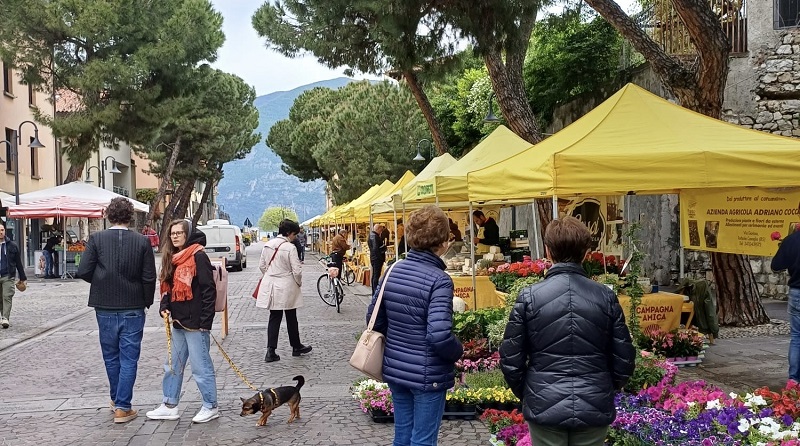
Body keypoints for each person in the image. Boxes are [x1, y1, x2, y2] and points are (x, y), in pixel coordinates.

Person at [499, 216, 635, 446]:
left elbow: (511, 359)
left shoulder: (530, 297)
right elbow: (624, 358)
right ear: (585, 253)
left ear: (548, 251)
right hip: (592, 401)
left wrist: (531, 391)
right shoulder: (605, 297)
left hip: (544, 400)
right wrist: (604, 386)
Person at [366, 205, 463, 446]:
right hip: (428, 373)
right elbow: (439, 335)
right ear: (442, 241)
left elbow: (373, 318)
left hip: (397, 369)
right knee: (423, 440)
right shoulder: (440, 280)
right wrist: (458, 351)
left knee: (403, 435)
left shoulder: (393, 270)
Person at [76, 198, 156, 423]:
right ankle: (122, 405)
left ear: (108, 215)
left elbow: (83, 270)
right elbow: (149, 277)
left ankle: (117, 400)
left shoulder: (97, 239)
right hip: (133, 305)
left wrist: (101, 282)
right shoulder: (142, 242)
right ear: (130, 216)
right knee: (129, 358)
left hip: (104, 306)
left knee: (111, 356)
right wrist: (146, 301)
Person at [146, 219, 219, 424]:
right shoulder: (172, 258)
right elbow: (167, 286)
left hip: (196, 323)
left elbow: (208, 290)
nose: (175, 236)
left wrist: (205, 321)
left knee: (201, 367)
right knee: (172, 365)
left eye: (179, 232)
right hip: (178, 321)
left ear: (188, 234)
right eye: (172, 233)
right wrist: (164, 306)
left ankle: (210, 405)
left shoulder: (198, 256)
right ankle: (169, 405)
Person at [257, 219, 312, 363]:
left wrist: (270, 275)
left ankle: (271, 350)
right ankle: (296, 346)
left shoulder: (268, 245)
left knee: (274, 317)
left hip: (271, 284)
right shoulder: (289, 247)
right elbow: (297, 270)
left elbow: (262, 266)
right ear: (289, 233)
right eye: (294, 234)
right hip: (287, 284)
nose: (294, 237)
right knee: (291, 316)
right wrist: (298, 283)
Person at [772, 216, 800, 383]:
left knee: (797, 338)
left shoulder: (791, 240)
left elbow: (776, 265)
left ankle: (794, 381)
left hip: (796, 292)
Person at [367, 223, 387, 293]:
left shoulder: (371, 235)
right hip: (377, 258)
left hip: (373, 257)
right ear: (378, 229)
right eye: (380, 230)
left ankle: (374, 290)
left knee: (375, 275)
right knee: (376, 275)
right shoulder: (375, 236)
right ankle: (375, 291)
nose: (381, 232)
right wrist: (383, 248)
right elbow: (376, 249)